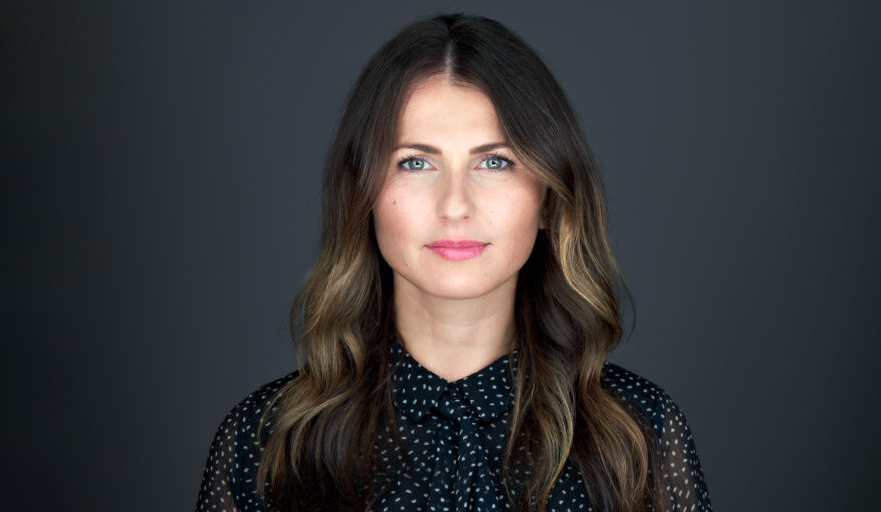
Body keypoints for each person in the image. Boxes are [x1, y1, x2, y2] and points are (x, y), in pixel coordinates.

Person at [196, 12, 711, 512]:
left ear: (550, 199)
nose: (455, 205)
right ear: (363, 193)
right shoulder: (265, 442)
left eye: (495, 161)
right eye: (415, 162)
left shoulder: (640, 435)